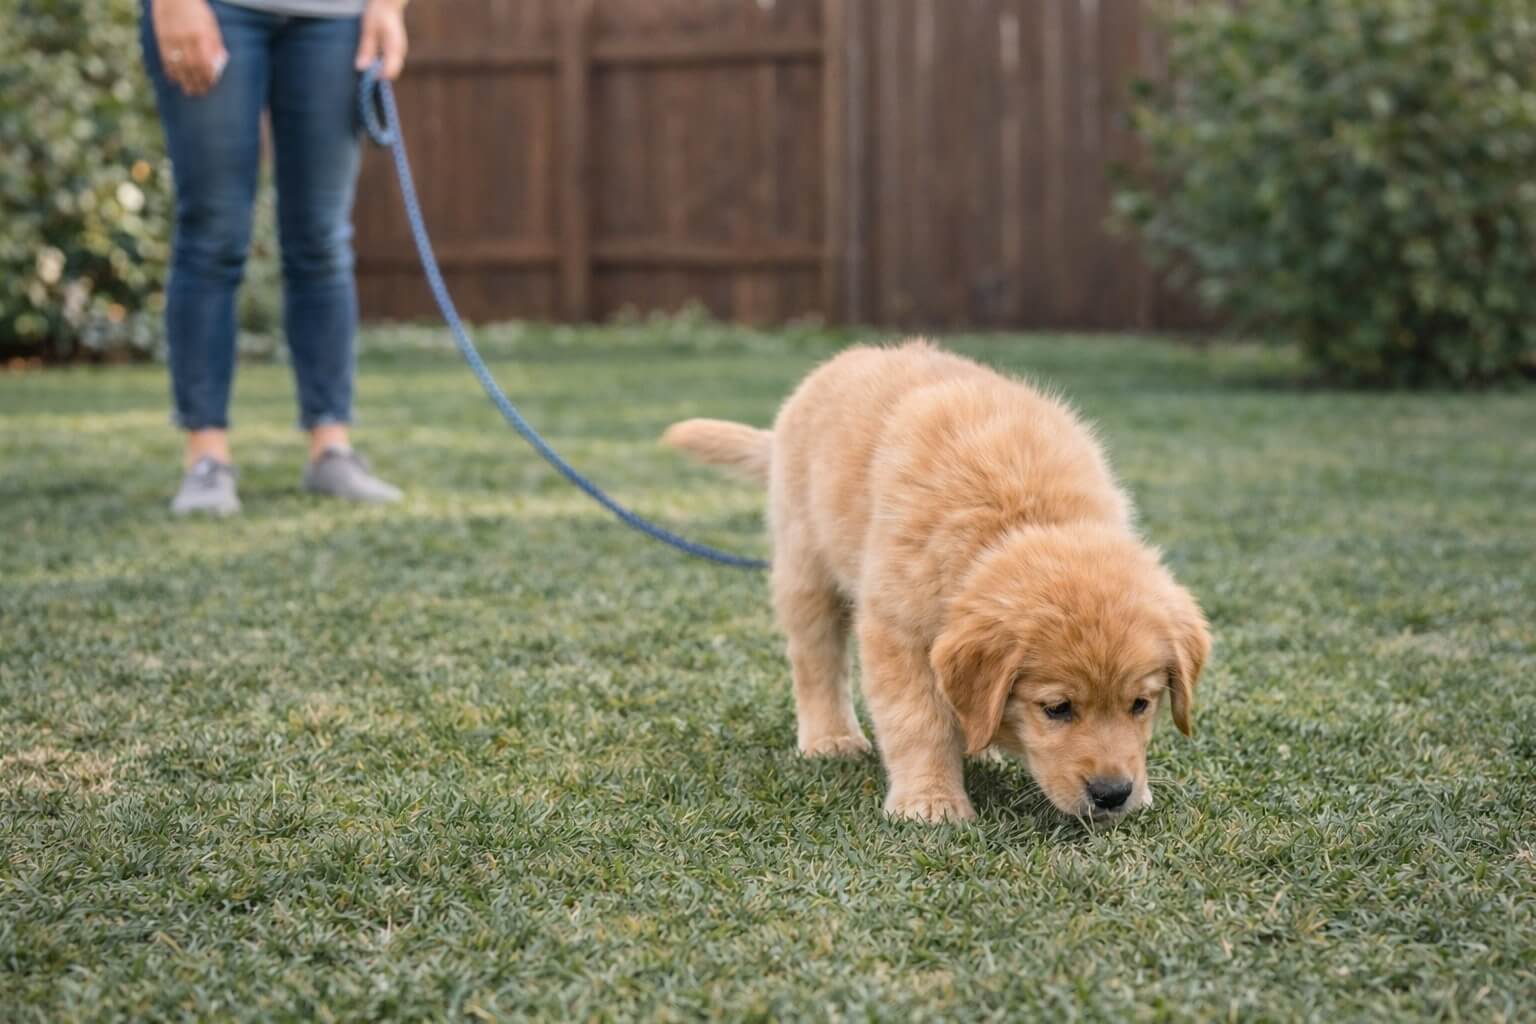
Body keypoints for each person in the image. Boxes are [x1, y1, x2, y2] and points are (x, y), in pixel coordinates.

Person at [141, 0, 409, 515]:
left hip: (337, 18)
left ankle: (332, 449)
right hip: (216, 9)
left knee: (323, 241)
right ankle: (206, 457)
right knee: (213, 234)